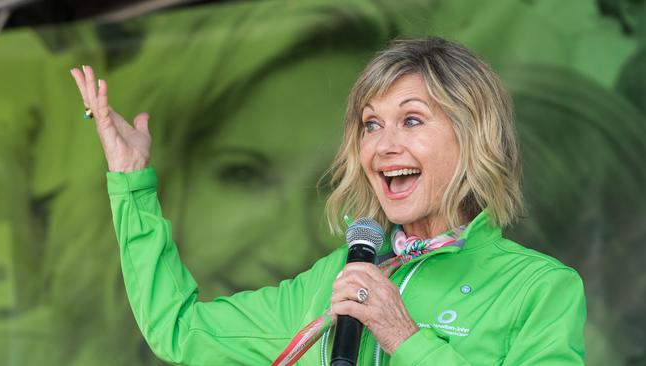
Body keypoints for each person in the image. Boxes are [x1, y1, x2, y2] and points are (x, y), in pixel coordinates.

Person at [70, 37, 586, 365]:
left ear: (475, 137)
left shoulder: (540, 290)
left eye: (411, 120)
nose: (384, 146)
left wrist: (404, 336)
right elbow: (179, 332)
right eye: (370, 125)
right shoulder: (339, 279)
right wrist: (131, 182)